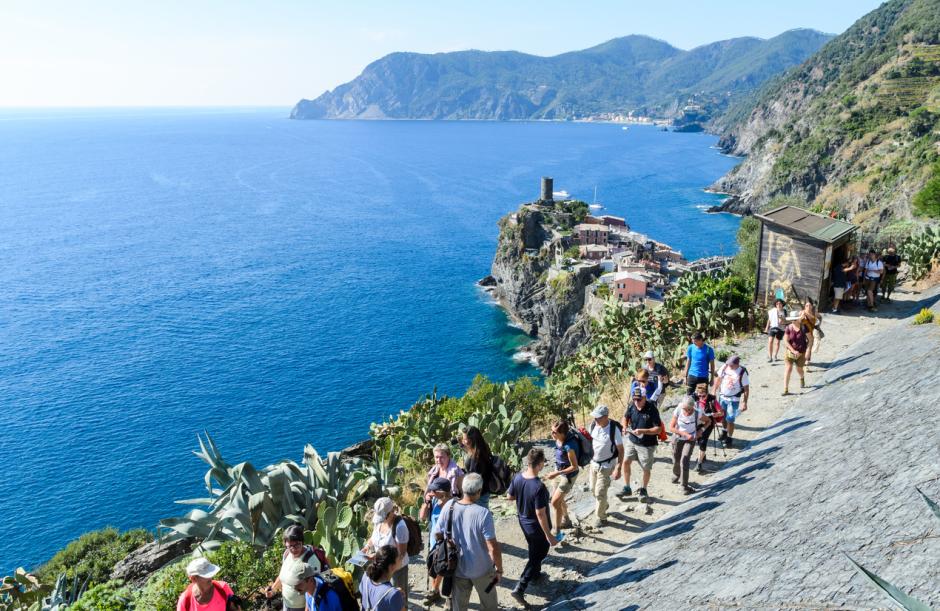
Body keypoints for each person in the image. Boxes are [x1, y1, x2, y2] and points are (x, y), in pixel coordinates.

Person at [431, 473, 503, 611]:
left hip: (457, 569)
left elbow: (437, 533)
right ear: (479, 491)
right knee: (489, 605)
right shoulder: (483, 514)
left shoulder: (449, 507)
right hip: (483, 572)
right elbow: (492, 547)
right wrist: (499, 571)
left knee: (459, 607)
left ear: (463, 489)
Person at [505, 448, 558, 604]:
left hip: (523, 522)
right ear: (540, 464)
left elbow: (509, 497)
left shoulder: (517, 478)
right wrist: (549, 536)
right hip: (536, 527)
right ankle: (520, 587)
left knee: (533, 549)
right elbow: (540, 514)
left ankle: (536, 575)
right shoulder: (539, 487)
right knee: (539, 554)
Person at [620, 386, 662, 502]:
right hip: (632, 440)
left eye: (639, 399)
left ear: (645, 397)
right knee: (626, 461)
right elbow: (625, 417)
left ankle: (643, 489)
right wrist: (624, 427)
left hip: (647, 444)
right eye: (635, 399)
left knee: (645, 467)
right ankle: (627, 487)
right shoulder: (632, 405)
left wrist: (643, 431)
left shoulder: (652, 409)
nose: (636, 402)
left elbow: (658, 429)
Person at [266, 525, 322, 611]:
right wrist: (273, 590)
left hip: (301, 608)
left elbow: (312, 589)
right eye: (290, 546)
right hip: (286, 604)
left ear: (302, 542)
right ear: (285, 544)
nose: (293, 549)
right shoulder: (287, 554)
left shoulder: (311, 560)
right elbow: (282, 575)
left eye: (297, 545)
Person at [365, 497, 409, 605]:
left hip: (396, 569)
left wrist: (378, 556)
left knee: (399, 600)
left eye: (383, 517)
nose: (381, 519)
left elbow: (401, 554)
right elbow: (373, 538)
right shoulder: (379, 522)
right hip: (382, 567)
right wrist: (366, 547)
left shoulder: (400, 527)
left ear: (391, 512)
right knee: (384, 599)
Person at [587, 404, 624, 526]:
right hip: (593, 464)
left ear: (606, 417)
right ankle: (604, 504)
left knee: (600, 492)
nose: (595, 420)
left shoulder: (614, 430)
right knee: (593, 489)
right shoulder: (593, 425)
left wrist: (618, 467)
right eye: (595, 417)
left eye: (598, 417)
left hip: (607, 465)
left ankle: (601, 517)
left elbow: (621, 449)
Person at [420, 477, 452, 606]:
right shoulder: (433, 500)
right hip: (435, 543)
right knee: (434, 566)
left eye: (434, 490)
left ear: (443, 492)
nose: (431, 492)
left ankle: (446, 596)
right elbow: (422, 517)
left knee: (446, 569)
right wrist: (426, 503)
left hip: (448, 544)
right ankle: (435, 590)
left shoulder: (453, 504)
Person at [545, 420, 579, 535]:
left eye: (554, 432)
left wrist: (556, 474)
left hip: (567, 476)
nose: (552, 434)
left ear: (562, 433)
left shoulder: (569, 446)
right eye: (551, 431)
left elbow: (574, 467)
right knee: (559, 499)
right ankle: (566, 520)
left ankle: (557, 530)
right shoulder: (558, 440)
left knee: (554, 502)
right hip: (559, 471)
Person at [713, 355, 750, 449]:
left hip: (734, 399)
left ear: (737, 364)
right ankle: (724, 431)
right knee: (722, 417)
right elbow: (718, 379)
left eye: (731, 364)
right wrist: (714, 391)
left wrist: (744, 402)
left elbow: (746, 388)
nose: (729, 365)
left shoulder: (742, 372)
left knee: (730, 419)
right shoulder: (725, 367)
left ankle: (729, 438)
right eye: (728, 363)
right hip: (722, 397)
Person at [668, 396, 703, 494]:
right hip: (678, 438)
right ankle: (676, 474)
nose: (686, 411)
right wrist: (683, 434)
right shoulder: (679, 410)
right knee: (676, 458)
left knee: (685, 459)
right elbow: (671, 427)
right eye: (685, 409)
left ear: (692, 407)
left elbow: (708, 421)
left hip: (690, 439)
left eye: (689, 409)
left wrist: (701, 430)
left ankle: (684, 486)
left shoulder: (697, 413)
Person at [357, 545, 406, 611]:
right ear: (391, 567)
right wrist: (394, 595)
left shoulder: (366, 576)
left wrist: (392, 593)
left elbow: (374, 593)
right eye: (399, 557)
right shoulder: (393, 595)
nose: (402, 557)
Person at [692, 382, 722, 473]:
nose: (701, 398)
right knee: (699, 440)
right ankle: (702, 455)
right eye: (699, 396)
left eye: (703, 396)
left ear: (707, 393)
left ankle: (699, 463)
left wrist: (714, 414)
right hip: (697, 422)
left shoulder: (712, 400)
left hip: (709, 423)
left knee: (703, 441)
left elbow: (721, 413)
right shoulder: (694, 399)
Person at [460, 426, 493, 508]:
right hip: (482, 491)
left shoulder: (477, 456)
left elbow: (473, 475)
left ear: (472, 439)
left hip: (477, 494)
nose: (464, 441)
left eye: (465, 439)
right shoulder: (482, 449)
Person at [782, 311, 808, 396]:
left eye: (794, 319)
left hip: (801, 353)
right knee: (788, 368)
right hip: (790, 352)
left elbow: (810, 339)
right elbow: (785, 341)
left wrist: (808, 351)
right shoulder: (788, 327)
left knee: (799, 369)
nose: (793, 321)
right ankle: (785, 389)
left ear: (798, 319)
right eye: (792, 319)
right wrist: (793, 350)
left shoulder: (804, 328)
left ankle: (802, 378)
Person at [800, 300, 819, 365]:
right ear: (805, 307)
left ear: (811, 306)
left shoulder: (814, 313)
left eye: (809, 305)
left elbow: (818, 319)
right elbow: (799, 320)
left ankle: (807, 360)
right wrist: (802, 316)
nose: (808, 307)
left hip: (811, 331)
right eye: (806, 305)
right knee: (808, 344)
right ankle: (805, 360)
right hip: (804, 330)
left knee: (809, 345)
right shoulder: (802, 312)